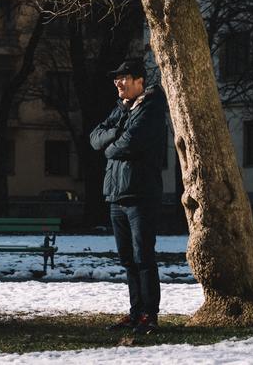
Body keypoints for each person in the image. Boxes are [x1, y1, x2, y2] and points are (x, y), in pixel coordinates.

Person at [89, 60, 167, 335]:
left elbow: (130, 143)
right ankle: (136, 313)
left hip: (141, 195)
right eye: (116, 79)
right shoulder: (122, 108)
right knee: (127, 259)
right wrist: (113, 135)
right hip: (116, 196)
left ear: (140, 81)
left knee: (143, 257)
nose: (118, 83)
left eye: (123, 78)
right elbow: (94, 138)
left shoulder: (153, 107)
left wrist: (111, 145)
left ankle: (150, 316)